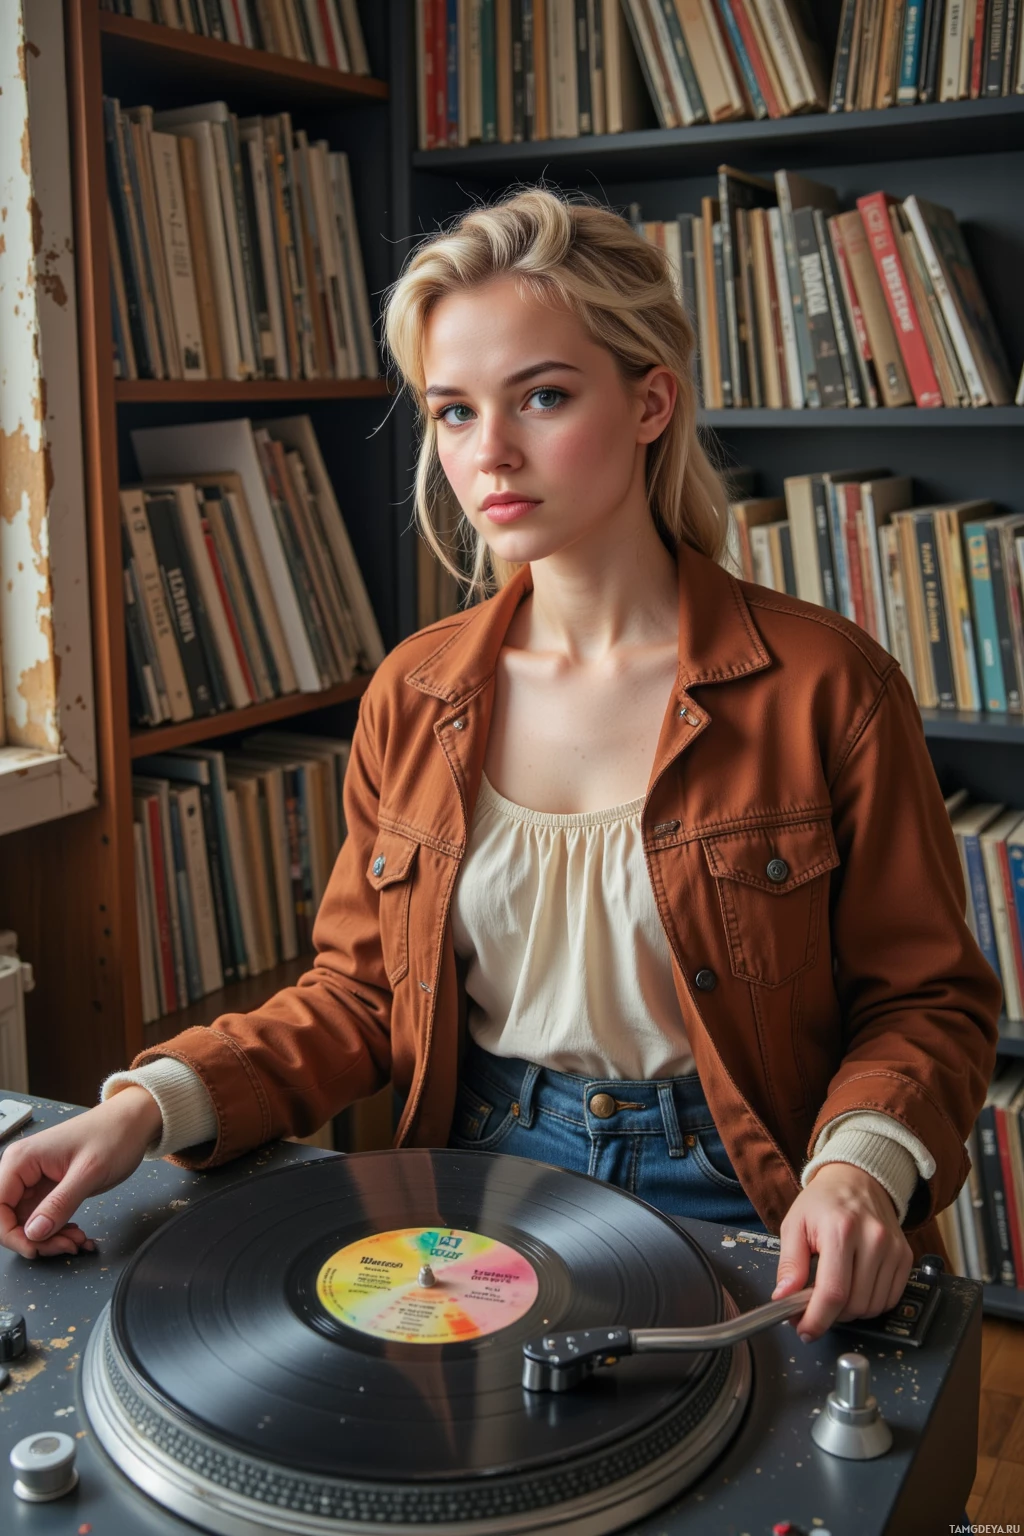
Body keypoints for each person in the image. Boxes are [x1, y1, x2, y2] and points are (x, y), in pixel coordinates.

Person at [0, 189, 1000, 1346]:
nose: (491, 454)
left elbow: (925, 1003)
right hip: (467, 1180)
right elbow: (361, 995)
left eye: (542, 396)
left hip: (751, 1183)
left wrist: (859, 1169)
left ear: (649, 403)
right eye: (452, 412)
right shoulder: (414, 694)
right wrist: (142, 1109)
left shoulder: (829, 687)